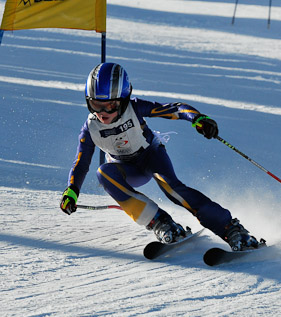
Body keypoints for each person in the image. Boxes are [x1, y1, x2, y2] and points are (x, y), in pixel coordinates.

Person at [60, 62, 263, 251]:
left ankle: (232, 230)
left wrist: (197, 118)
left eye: (110, 106)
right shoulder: (90, 128)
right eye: (96, 105)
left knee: (171, 188)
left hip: (151, 156)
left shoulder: (135, 108)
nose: (103, 113)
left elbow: (174, 108)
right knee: (103, 173)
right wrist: (72, 191)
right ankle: (162, 223)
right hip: (127, 169)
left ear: (123, 100)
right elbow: (81, 162)